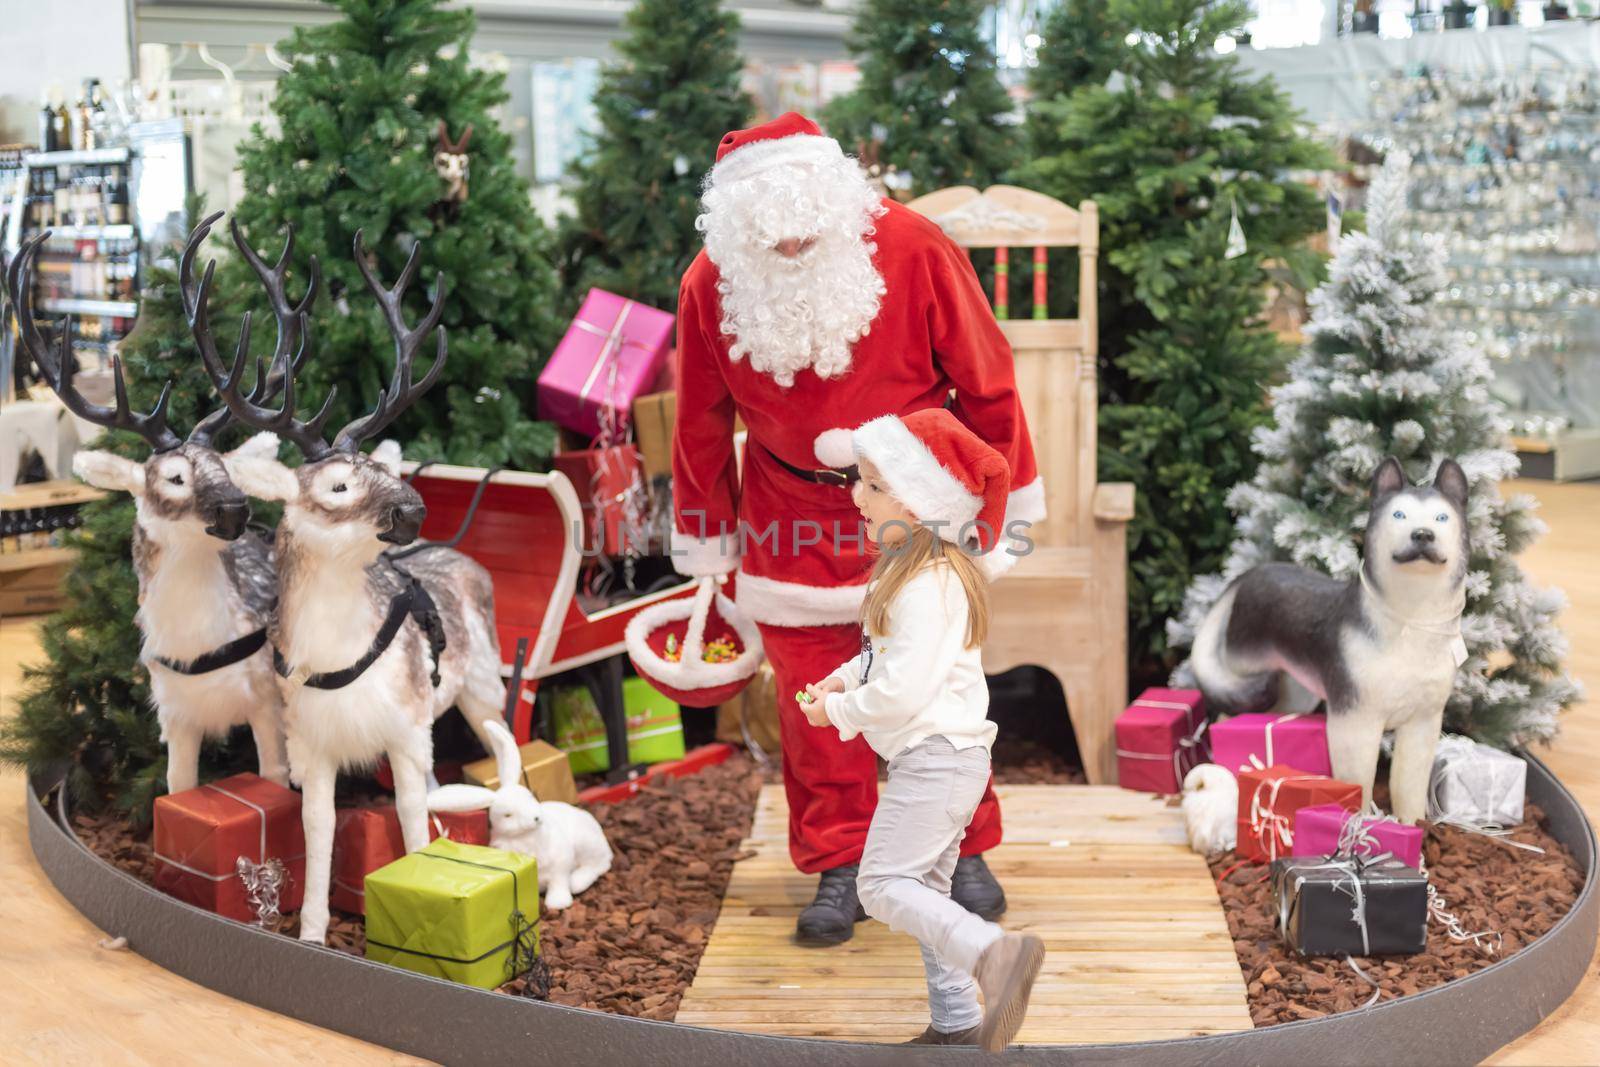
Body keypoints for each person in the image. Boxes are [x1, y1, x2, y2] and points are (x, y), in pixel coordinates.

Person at [671, 111, 1046, 944]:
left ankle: (963, 845)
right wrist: (707, 540)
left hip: (912, 498)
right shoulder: (709, 284)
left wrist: (996, 502)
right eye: (773, 235)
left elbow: (986, 378)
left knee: (941, 682)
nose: (794, 245)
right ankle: (841, 858)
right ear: (736, 225)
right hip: (786, 509)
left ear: (834, 196)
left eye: (806, 224)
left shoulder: (914, 247)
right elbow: (699, 421)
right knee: (814, 704)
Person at [798, 409, 1045, 1051]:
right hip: (938, 761)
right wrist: (843, 681)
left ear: (926, 503)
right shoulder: (909, 575)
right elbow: (887, 657)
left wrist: (841, 715)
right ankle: (958, 1022)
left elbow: (905, 689)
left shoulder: (930, 586)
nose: (857, 495)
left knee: (880, 885)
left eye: (876, 486)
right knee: (928, 890)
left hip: (939, 761)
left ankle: (996, 955)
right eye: (861, 480)